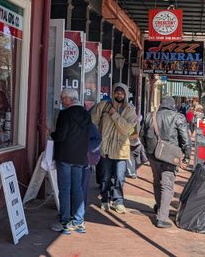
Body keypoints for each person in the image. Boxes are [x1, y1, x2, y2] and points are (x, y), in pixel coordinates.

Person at [142, 95, 191, 229]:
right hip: (170, 156)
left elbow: (142, 135)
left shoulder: (149, 116)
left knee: (157, 181)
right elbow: (186, 140)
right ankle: (162, 218)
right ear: (173, 105)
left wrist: (148, 151)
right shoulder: (178, 117)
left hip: (153, 154)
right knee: (167, 185)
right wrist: (186, 156)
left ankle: (159, 207)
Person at [50, 88, 92, 235]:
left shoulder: (65, 114)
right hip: (80, 157)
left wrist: (51, 133)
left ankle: (65, 221)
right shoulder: (87, 114)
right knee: (77, 188)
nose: (61, 100)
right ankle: (79, 221)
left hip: (65, 156)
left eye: (63, 98)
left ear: (69, 99)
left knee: (65, 189)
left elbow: (60, 136)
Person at [91, 83, 137, 214]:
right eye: (117, 92)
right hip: (105, 148)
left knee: (119, 177)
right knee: (105, 177)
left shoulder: (130, 110)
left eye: (122, 93)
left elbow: (127, 129)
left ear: (126, 94)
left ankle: (118, 201)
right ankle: (105, 199)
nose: (119, 95)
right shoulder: (103, 106)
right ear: (113, 93)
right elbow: (92, 122)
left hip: (121, 149)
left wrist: (114, 115)